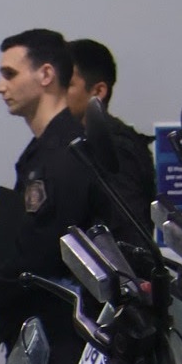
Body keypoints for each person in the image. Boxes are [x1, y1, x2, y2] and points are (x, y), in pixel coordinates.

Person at [0, 28, 106, 364]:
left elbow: (38, 253)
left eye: (10, 74)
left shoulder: (64, 154)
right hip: (41, 335)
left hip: (59, 342)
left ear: (46, 74)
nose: (0, 87)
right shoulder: (42, 153)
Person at [66, 37, 156, 241]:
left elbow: (129, 234)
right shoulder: (76, 140)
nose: (57, 94)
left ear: (98, 91)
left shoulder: (114, 146)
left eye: (68, 85)